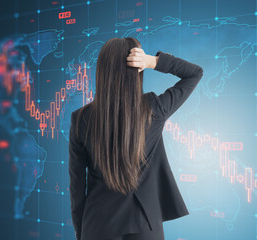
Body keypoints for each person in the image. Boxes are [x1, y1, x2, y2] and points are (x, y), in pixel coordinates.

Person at [69, 37, 204, 240]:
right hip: (144, 225)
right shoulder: (153, 109)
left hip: (96, 226)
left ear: (102, 72)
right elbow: (194, 73)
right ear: (136, 71)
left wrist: (81, 232)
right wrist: (153, 62)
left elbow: (77, 187)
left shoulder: (80, 118)